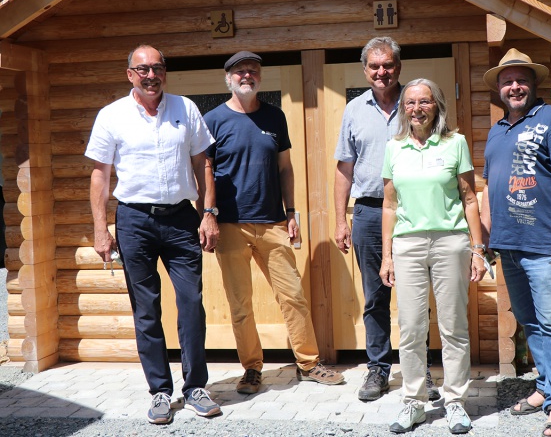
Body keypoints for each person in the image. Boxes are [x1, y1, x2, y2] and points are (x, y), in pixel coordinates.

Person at [86, 45, 221, 425]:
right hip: (134, 220)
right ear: (130, 74)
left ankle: (195, 386)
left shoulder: (185, 108)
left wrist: (207, 214)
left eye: (157, 68)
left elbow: (202, 163)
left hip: (180, 220)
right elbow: (100, 174)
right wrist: (101, 229)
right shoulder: (111, 115)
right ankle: (160, 391)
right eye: (142, 69)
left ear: (165, 72)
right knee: (146, 309)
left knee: (191, 303)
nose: (150, 75)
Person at [204, 51, 344, 394]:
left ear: (260, 77)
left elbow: (285, 168)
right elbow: (204, 171)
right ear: (228, 78)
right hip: (231, 225)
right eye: (240, 71)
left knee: (292, 296)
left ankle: (308, 364)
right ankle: (252, 368)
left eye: (252, 70)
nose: (247, 75)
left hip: (273, 223)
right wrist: (208, 214)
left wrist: (292, 211)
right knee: (240, 304)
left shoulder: (275, 117)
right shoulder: (213, 120)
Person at [480, 48, 551, 437]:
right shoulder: (497, 130)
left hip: (546, 243)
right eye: (507, 81)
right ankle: (546, 387)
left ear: (534, 84)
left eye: (521, 79)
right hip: (509, 245)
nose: (514, 86)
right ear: (499, 89)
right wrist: (484, 236)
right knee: (531, 322)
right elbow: (491, 186)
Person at [334, 37, 439, 402]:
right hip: (368, 211)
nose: (382, 72)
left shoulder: (417, 105)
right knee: (374, 296)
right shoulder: (353, 110)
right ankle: (378, 368)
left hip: (412, 211)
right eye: (374, 66)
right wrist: (339, 219)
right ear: (365, 70)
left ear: (399, 67)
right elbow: (344, 168)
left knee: (415, 295)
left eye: (388, 65)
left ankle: (419, 368)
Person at [380, 79, 487, 434]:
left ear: (436, 105)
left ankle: (455, 402)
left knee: (453, 326)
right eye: (410, 103)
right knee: (411, 327)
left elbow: (470, 199)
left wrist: (477, 248)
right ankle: (414, 401)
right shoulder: (394, 148)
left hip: (450, 242)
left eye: (424, 102)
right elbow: (389, 205)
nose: (416, 108)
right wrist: (387, 256)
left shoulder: (455, 143)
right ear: (403, 108)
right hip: (407, 245)